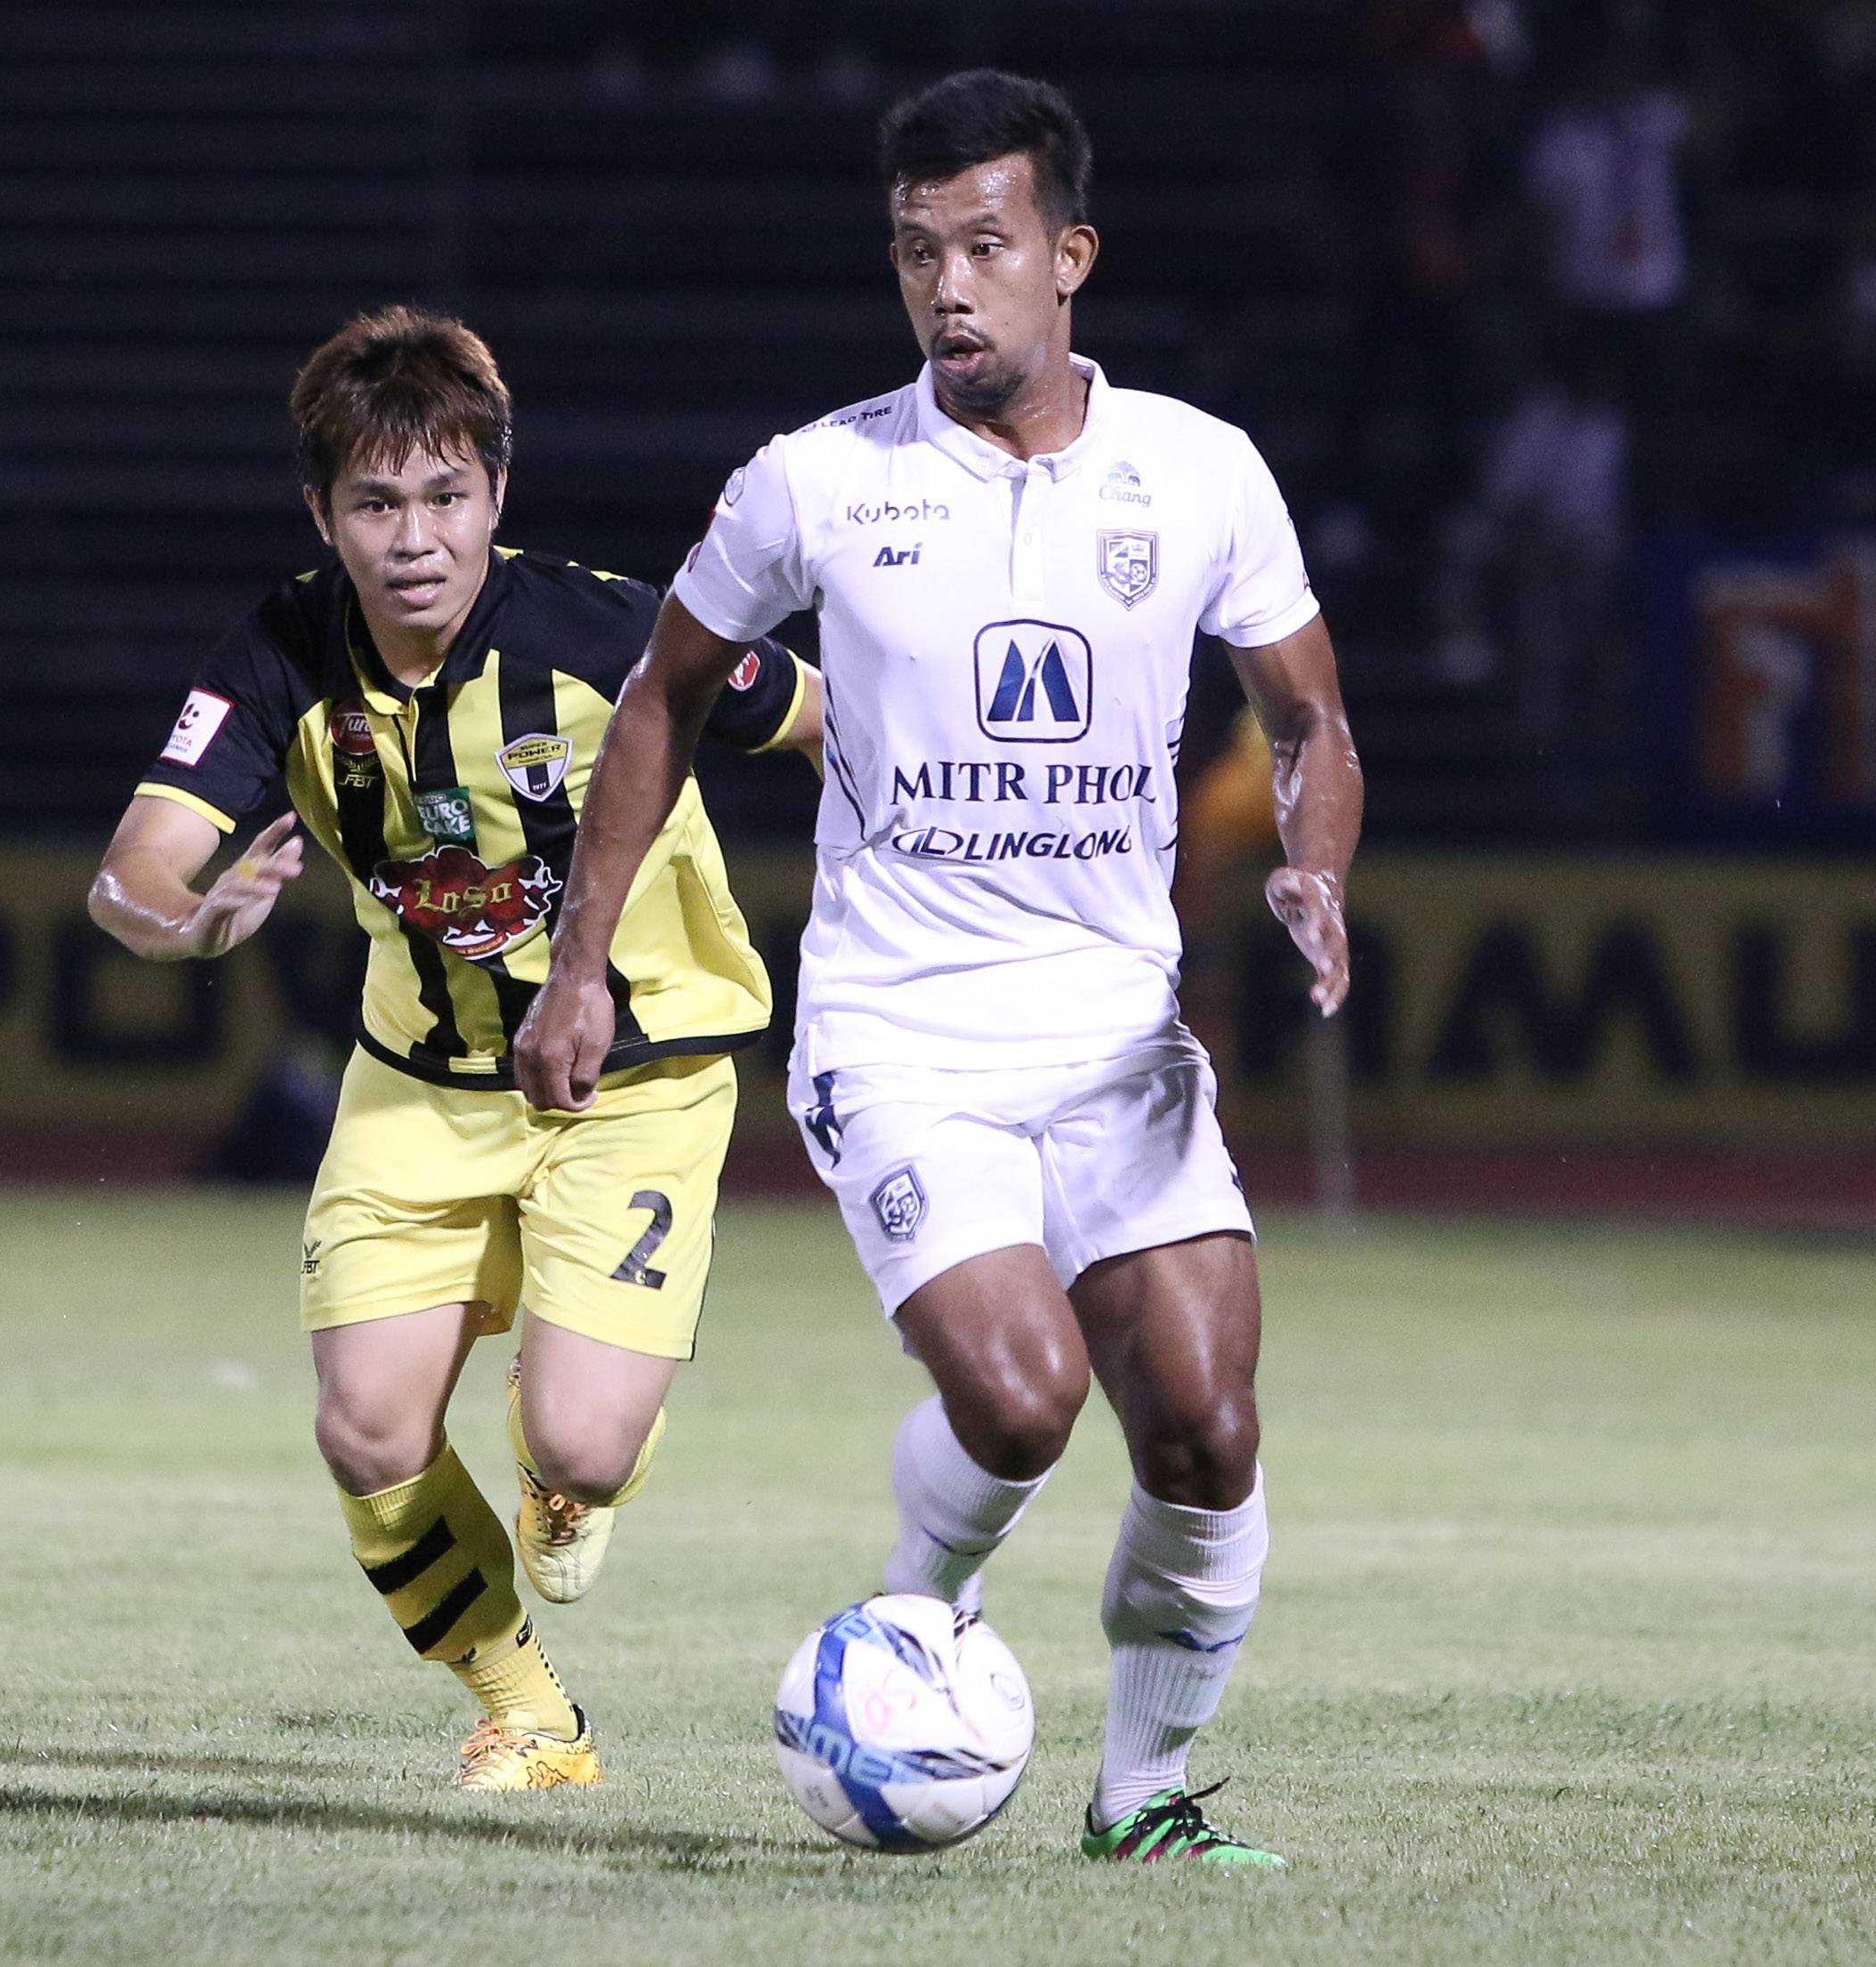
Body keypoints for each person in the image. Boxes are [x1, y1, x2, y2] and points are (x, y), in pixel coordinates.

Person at [515, 71, 1360, 1866]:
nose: (946, 288)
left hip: (1116, 1036)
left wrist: (1312, 863)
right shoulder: (817, 480)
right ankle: (914, 1616)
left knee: (1204, 1429)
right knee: (1022, 1391)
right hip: (899, 1029)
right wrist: (579, 965)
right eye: (915, 254)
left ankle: (1143, 1797)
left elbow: (1306, 718)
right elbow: (662, 694)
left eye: (982, 247)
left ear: (1069, 256)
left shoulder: (1198, 471)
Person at [86, 306, 820, 1790]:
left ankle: (566, 1454)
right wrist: (194, 921)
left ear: (496, 494)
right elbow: (131, 872)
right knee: (366, 1429)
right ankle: (530, 1717)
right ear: (323, 513)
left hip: (635, 1081)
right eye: (376, 503)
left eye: (445, 496)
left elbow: (829, 719)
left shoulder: (613, 633)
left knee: (582, 1445)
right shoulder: (283, 652)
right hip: (417, 1088)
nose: (414, 537)